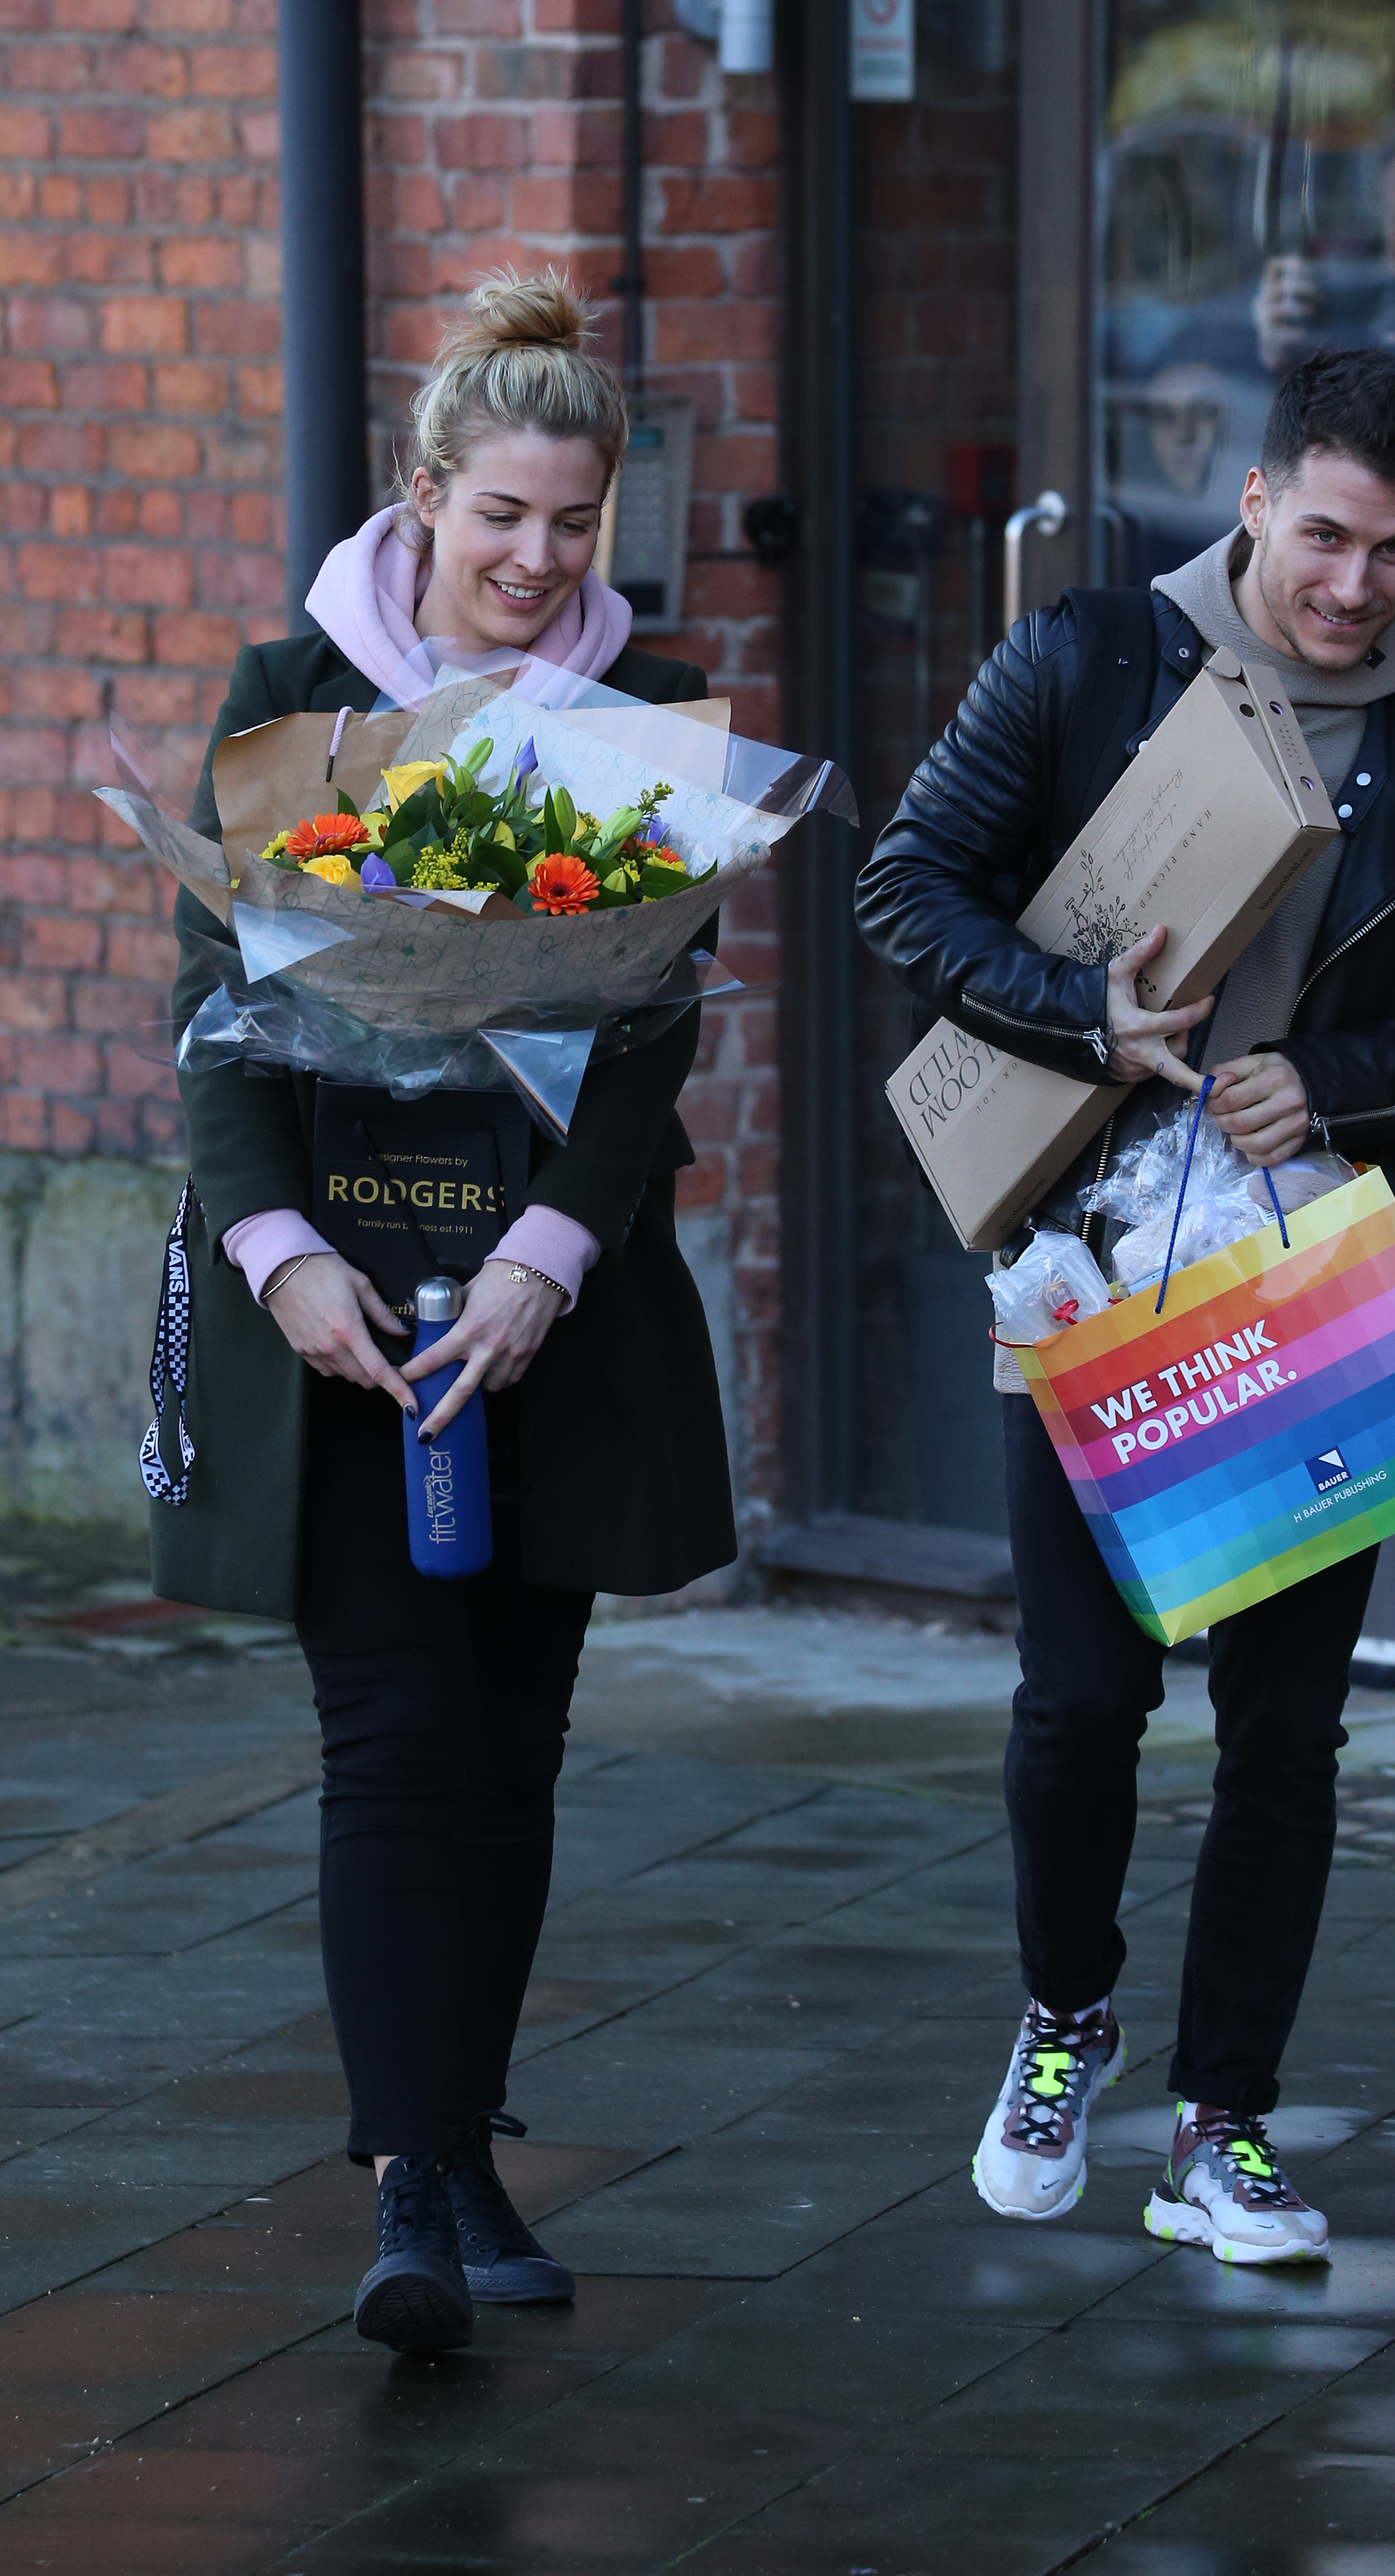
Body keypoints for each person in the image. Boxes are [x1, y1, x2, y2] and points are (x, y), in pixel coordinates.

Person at [854, 348, 1395, 2264]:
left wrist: (1335, 1083)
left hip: (1325, 1275)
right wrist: (1081, 1013)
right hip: (1086, 1253)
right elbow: (905, 883)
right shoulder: (1090, 657)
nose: (1357, 588)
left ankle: (1224, 2129)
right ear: (1257, 500)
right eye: (1326, 535)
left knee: (1286, 1731)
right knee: (1082, 1701)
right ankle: (1066, 2014)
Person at [155, 268, 735, 2351]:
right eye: (505, 514)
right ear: (424, 494)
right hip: (339, 1315)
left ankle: (470, 2139)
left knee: (512, 1743)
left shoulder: (647, 720)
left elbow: (652, 1036)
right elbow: (219, 1033)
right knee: (394, 1732)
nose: (537, 560)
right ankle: (411, 2187)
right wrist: (286, 1260)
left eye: (574, 524)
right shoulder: (296, 698)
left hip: (542, 1311)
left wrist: (546, 1254)